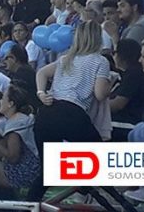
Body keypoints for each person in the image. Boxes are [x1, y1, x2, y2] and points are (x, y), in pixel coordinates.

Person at [31, 21, 111, 201]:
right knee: (99, 158)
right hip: (72, 112)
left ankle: (30, 205)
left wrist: (41, 93)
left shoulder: (66, 59)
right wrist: (110, 84)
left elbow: (41, 73)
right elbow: (99, 94)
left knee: (48, 172)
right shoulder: (100, 61)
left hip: (47, 113)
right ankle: (92, 192)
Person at [0, 85, 40, 190]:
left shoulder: (15, 125)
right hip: (32, 169)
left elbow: (12, 158)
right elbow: (3, 153)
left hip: (25, 174)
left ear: (10, 104)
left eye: (3, 98)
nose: (0, 101)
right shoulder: (18, 119)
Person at [109, 39, 144, 141]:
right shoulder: (132, 72)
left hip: (133, 120)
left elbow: (118, 105)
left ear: (122, 55)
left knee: (96, 123)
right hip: (133, 117)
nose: (113, 56)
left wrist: (95, 106)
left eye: (114, 53)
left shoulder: (134, 74)